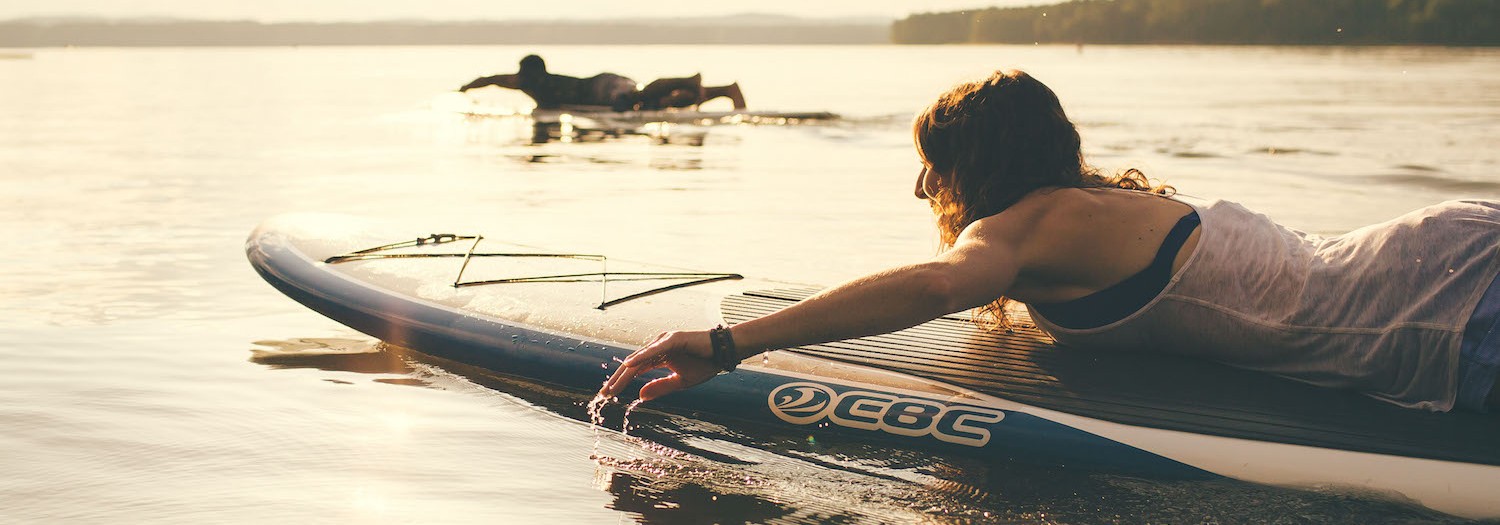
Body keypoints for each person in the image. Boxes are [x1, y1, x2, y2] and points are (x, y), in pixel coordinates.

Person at [599, 69, 1500, 414]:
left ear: (978, 162)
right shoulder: (1083, 210)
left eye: (934, 164)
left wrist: (731, 343)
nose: (922, 188)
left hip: (1446, 307)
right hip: (1442, 269)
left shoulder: (1027, 224)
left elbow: (930, 289)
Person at [458, 54, 747, 112]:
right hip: (604, 83)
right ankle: (723, 91)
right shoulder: (533, 81)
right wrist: (466, 87)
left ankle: (689, 81)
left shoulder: (532, 82)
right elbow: (490, 79)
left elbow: (493, 79)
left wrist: (465, 89)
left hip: (603, 89)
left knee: (642, 97)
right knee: (654, 104)